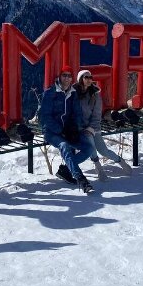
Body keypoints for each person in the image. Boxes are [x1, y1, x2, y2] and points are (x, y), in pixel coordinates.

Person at [38, 65, 95, 193]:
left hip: (68, 131)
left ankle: (66, 170)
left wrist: (75, 128)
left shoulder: (72, 93)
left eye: (69, 76)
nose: (67, 78)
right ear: (59, 76)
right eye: (64, 75)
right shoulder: (50, 93)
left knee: (89, 148)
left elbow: (77, 113)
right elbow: (45, 117)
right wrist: (60, 130)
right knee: (65, 146)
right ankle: (81, 179)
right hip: (51, 132)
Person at [75, 69, 132, 181]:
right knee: (90, 143)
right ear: (80, 79)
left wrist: (91, 128)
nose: (89, 80)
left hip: (94, 127)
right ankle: (99, 168)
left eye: (90, 77)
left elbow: (97, 115)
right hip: (80, 128)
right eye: (86, 77)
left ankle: (120, 161)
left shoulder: (95, 95)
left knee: (103, 151)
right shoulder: (73, 94)